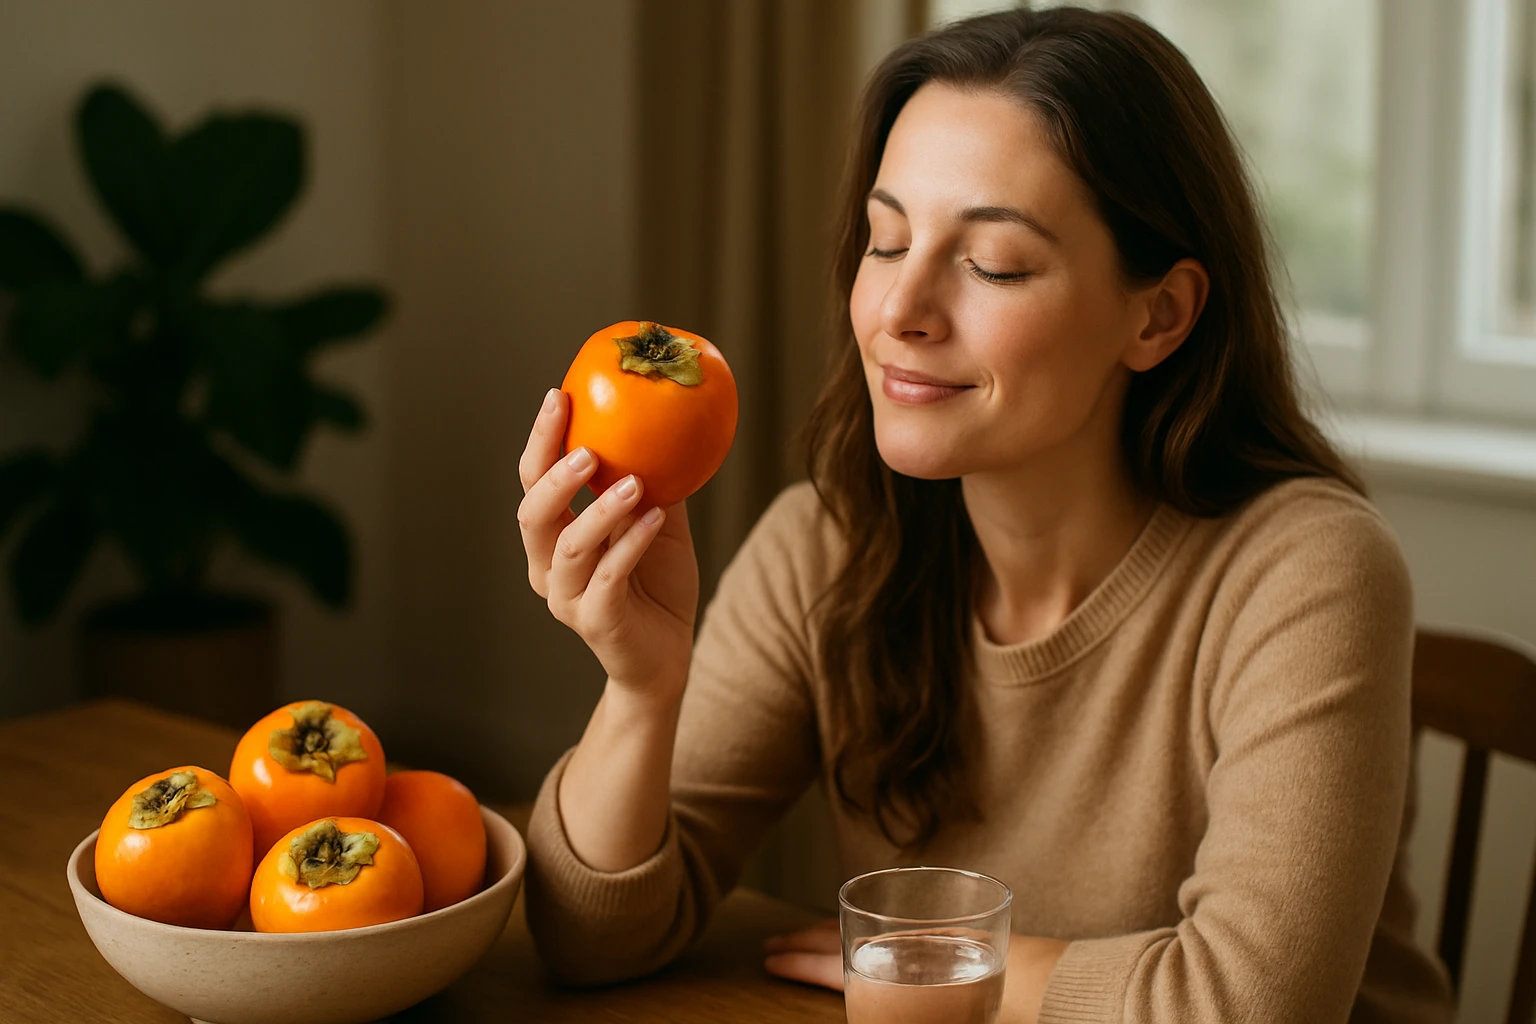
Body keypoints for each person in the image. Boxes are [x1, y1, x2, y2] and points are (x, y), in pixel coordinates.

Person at [514, 7, 1455, 1022]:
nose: (898, 311)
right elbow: (592, 937)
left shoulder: (1310, 570)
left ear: (1160, 315)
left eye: (993, 263)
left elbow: (1252, 1005)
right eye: (886, 241)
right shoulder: (825, 547)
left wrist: (954, 962)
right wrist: (642, 688)